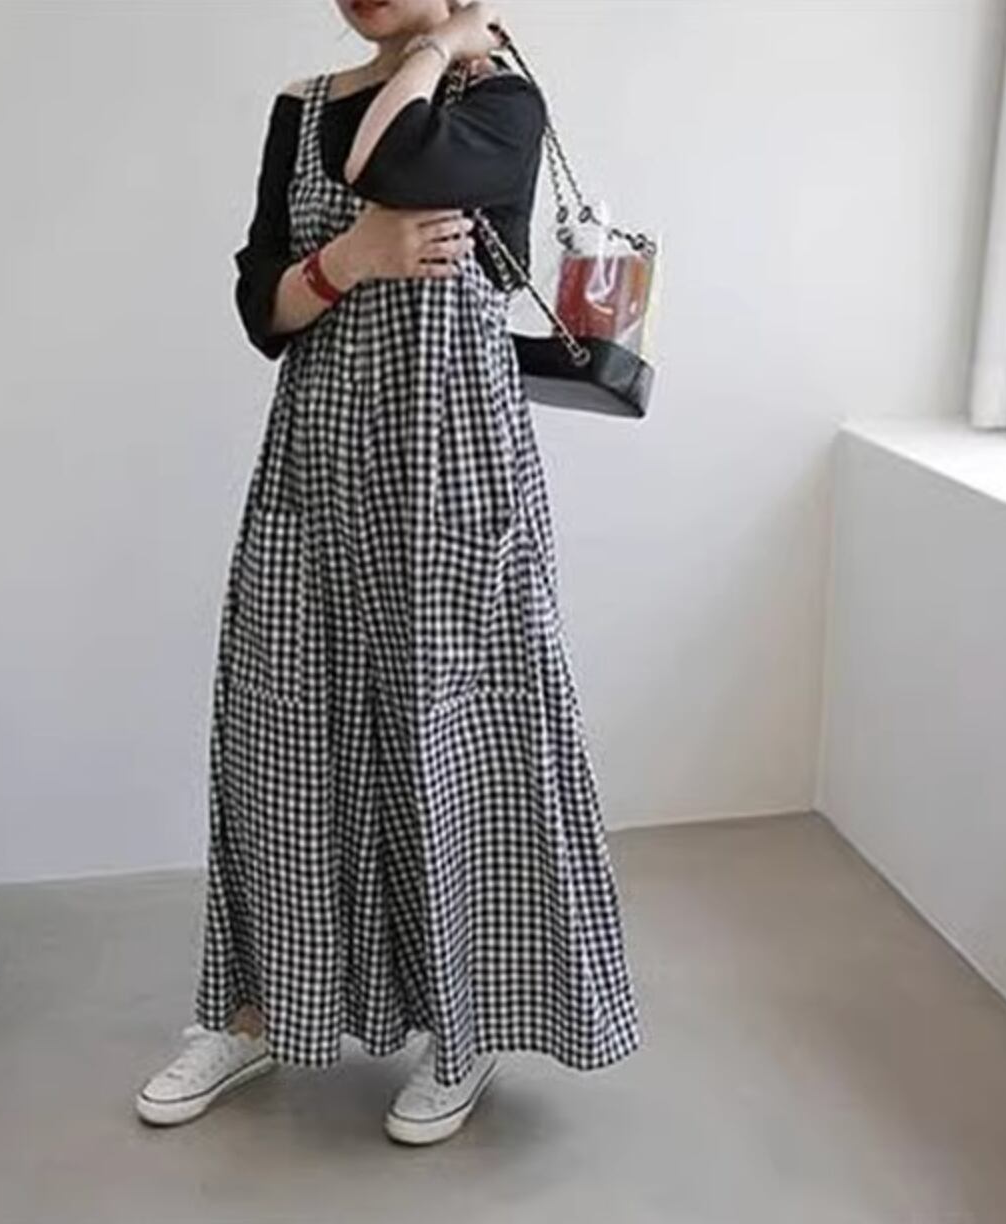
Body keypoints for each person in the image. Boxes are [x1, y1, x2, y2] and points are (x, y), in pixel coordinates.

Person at [135, 0, 641, 1146]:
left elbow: (391, 164)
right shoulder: (299, 109)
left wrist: (443, 48)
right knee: (274, 732)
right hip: (315, 456)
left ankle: (464, 1032)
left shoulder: (499, 101)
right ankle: (258, 1012)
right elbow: (262, 306)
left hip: (450, 466)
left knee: (451, 740)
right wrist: (349, 261)